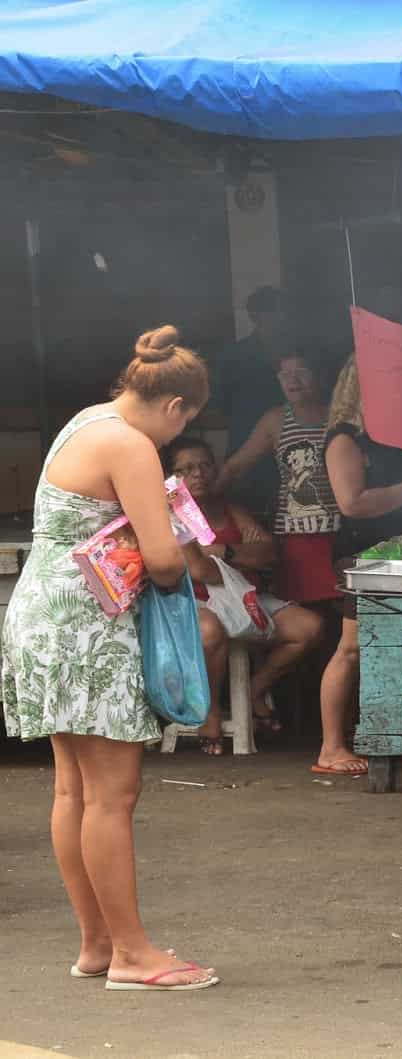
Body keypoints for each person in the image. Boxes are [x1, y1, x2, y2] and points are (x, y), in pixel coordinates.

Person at [1, 326, 218, 990]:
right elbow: (158, 560)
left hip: (42, 618)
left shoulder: (85, 423)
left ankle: (98, 943)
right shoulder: (130, 446)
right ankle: (130, 952)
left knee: (75, 788)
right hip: (88, 632)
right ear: (176, 407)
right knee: (113, 795)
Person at [318, 357, 402, 777]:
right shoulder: (344, 440)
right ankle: (330, 748)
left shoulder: (389, 440)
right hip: (362, 556)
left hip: (398, 553)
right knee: (351, 648)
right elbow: (352, 503)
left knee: (394, 641)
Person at [164, 436, 325, 753]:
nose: (198, 474)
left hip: (241, 596)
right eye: (186, 469)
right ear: (172, 478)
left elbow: (268, 552)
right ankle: (208, 711)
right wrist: (240, 553)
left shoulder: (230, 510)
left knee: (310, 628)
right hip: (191, 599)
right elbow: (200, 573)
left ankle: (254, 690)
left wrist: (221, 550)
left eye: (204, 466)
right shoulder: (171, 516)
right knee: (210, 632)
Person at [215, 350, 342, 607]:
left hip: (340, 535)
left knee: (342, 608)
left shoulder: (339, 416)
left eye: (301, 373)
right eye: (285, 374)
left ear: (320, 377)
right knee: (302, 608)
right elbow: (234, 468)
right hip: (294, 537)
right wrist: (203, 506)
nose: (292, 380)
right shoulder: (275, 420)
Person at [216, 286, 294, 519]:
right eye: (270, 311)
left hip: (291, 448)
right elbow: (219, 407)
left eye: (282, 311)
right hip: (245, 451)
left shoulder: (297, 355)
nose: (278, 317)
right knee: (249, 522)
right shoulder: (234, 356)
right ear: (254, 316)